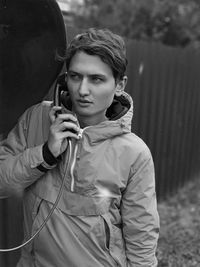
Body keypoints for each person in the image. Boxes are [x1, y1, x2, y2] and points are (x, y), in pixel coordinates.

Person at [0, 28, 159, 266]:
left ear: (119, 84)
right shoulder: (37, 120)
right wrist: (44, 154)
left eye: (96, 79)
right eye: (75, 76)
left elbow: (142, 236)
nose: (82, 90)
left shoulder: (134, 153)